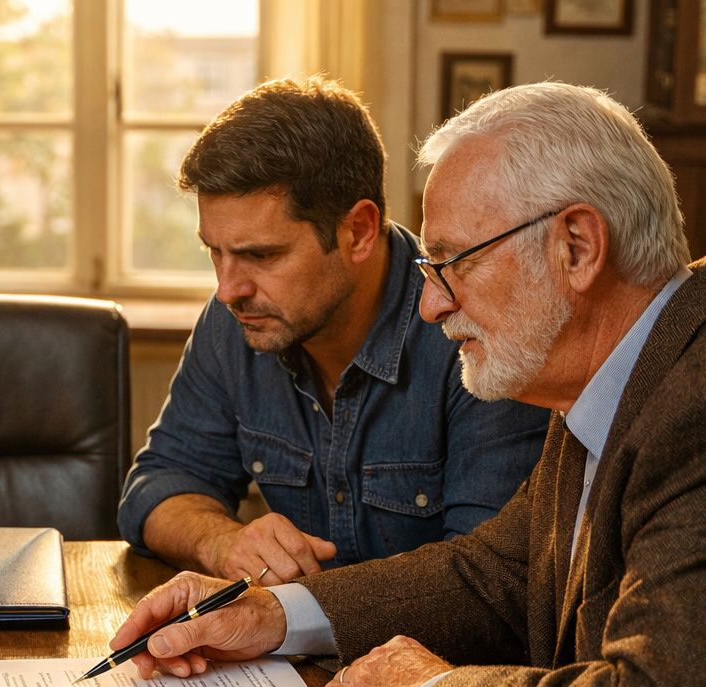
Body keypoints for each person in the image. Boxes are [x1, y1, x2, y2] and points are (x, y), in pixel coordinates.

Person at [108, 83, 706, 687]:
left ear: (576, 246)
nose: (430, 303)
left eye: (453, 262)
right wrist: (272, 616)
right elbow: (495, 571)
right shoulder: (609, 382)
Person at [119, 77, 547, 584]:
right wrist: (223, 541)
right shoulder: (239, 319)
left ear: (359, 231)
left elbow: (485, 579)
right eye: (215, 251)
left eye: (261, 255)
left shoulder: (470, 330)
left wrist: (298, 613)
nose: (228, 288)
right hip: (289, 653)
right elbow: (155, 485)